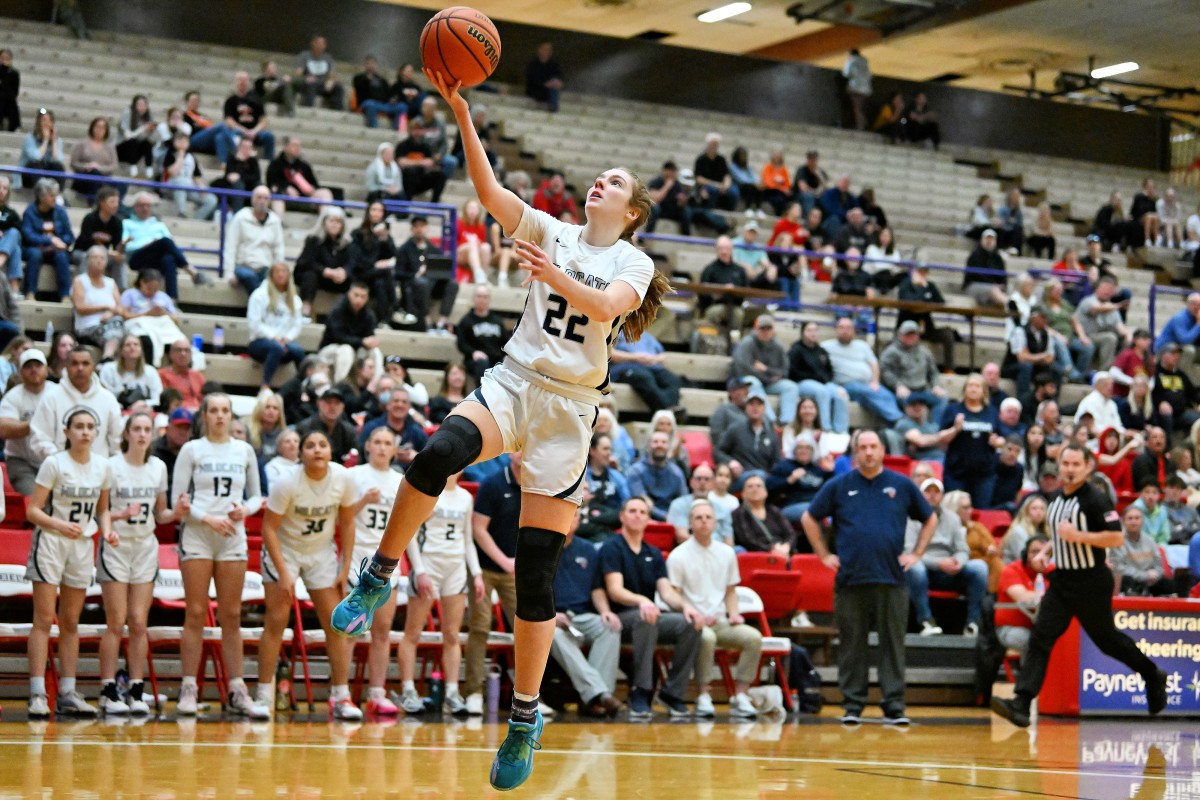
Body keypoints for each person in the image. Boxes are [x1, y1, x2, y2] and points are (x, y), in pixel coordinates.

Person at [331, 68, 671, 792]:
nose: (598, 186)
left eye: (614, 182)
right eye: (599, 178)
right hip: (515, 383)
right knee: (436, 456)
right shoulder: (552, 229)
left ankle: (524, 718)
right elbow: (490, 196)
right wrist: (460, 111)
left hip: (569, 412)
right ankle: (378, 576)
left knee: (537, 577)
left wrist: (553, 276)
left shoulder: (631, 259)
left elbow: (608, 308)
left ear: (633, 209)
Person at [991, 445, 1169, 728]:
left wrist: (1078, 536)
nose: (1070, 469)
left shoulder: (1096, 500)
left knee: (1108, 642)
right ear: (1059, 466)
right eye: (1066, 463)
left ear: (1088, 468)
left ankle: (1152, 674)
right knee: (1041, 637)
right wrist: (1048, 549)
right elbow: (1063, 531)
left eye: (1076, 464)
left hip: (1091, 581)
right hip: (1062, 579)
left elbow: (1114, 539)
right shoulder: (1056, 498)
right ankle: (1022, 703)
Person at [802, 430, 936, 725]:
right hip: (850, 579)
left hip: (892, 578)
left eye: (873, 447)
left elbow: (930, 518)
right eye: (862, 447)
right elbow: (809, 518)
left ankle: (894, 706)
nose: (868, 452)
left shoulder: (901, 485)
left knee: (893, 644)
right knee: (852, 645)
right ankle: (852, 705)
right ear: (855, 452)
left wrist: (916, 554)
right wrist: (824, 555)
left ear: (883, 450)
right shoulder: (839, 485)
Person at [171, 393, 268, 717]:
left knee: (231, 615)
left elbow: (257, 497)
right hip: (199, 536)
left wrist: (245, 509)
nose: (219, 416)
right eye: (213, 411)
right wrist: (208, 517)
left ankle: (237, 689)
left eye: (225, 411)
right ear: (205, 416)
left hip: (232, 538)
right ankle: (188, 687)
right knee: (196, 613)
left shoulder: (244, 450)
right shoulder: (191, 449)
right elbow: (178, 502)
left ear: (231, 416)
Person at [253, 429, 360, 719]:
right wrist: (283, 573)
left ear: (330, 451)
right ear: (301, 453)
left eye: (322, 444)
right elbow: (268, 529)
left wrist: (344, 567)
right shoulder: (287, 483)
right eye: (310, 445)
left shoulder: (342, 479)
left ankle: (340, 696)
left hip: (320, 552)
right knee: (276, 620)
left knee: (336, 623)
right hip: (284, 550)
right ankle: (263, 694)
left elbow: (348, 524)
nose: (316, 450)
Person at [25, 408, 114, 718]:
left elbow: (103, 510)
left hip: (81, 545)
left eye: (90, 426)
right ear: (67, 431)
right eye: (79, 426)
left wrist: (108, 530)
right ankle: (37, 693)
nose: (85, 431)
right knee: (44, 618)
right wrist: (60, 525)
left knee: (71, 622)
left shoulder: (103, 466)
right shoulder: (54, 464)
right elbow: (33, 511)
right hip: (51, 542)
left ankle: (67, 691)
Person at [99, 411, 188, 714]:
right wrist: (117, 520)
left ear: (152, 434)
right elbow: (101, 513)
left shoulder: (158, 468)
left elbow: (160, 515)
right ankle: (108, 689)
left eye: (146, 429)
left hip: (145, 548)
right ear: (126, 434)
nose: (140, 434)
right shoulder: (111, 466)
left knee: (138, 622)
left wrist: (176, 512)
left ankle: (136, 689)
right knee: (115, 621)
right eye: (135, 428)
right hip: (117, 547)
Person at [601, 497, 704, 719]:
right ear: (622, 516)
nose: (637, 515)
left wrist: (686, 607)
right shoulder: (612, 547)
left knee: (691, 624)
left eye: (642, 512)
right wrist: (642, 600)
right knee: (645, 618)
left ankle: (671, 693)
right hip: (618, 617)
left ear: (649, 519)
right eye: (632, 511)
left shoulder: (653, 552)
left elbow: (666, 592)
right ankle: (641, 690)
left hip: (647, 615)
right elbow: (614, 590)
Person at [395, 469, 483, 716]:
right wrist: (419, 570)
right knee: (413, 632)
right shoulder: (428, 493)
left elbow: (468, 541)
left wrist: (475, 573)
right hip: (428, 564)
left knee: (452, 635)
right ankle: (408, 689)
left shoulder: (466, 497)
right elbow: (409, 532)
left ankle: (452, 693)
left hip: (455, 568)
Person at [668, 499, 761, 719]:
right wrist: (693, 614)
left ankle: (741, 695)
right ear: (690, 522)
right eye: (698, 518)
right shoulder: (678, 555)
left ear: (716, 523)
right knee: (706, 639)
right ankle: (703, 694)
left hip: (721, 620)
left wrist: (735, 613)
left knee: (753, 637)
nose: (704, 522)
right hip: (694, 622)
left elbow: (730, 590)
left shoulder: (727, 553)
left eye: (708, 517)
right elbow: (673, 593)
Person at [906, 489, 990, 636]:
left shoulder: (953, 518)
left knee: (980, 567)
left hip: (950, 570)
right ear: (920, 495)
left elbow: (963, 550)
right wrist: (938, 563)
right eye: (928, 491)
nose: (932, 495)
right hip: (923, 569)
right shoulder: (910, 517)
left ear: (942, 497)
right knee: (915, 567)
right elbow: (909, 553)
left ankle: (973, 624)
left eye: (936, 492)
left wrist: (958, 562)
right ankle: (926, 621)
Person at [30, 345, 123, 461]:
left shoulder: (108, 399)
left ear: (93, 367)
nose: (80, 368)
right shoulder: (51, 397)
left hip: (99, 472)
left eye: (85, 363)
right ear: (66, 367)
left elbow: (117, 442)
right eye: (74, 363)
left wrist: (107, 467)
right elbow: (40, 438)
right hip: (60, 472)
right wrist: (60, 463)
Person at [123, 192, 209, 298]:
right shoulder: (127, 223)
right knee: (164, 241)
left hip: (156, 258)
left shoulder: (159, 225)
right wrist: (145, 244)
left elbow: (171, 245)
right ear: (135, 207)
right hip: (137, 258)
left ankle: (172, 300)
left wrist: (155, 244)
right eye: (141, 205)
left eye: (148, 205)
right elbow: (125, 246)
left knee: (169, 259)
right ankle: (191, 271)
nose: (145, 208)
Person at [822, 316, 903, 425]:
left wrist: (875, 381)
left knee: (888, 395)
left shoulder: (862, 345)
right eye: (841, 328)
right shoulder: (826, 346)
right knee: (864, 392)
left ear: (854, 330)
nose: (845, 331)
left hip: (868, 384)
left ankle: (895, 422)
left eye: (848, 328)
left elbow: (874, 364)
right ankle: (898, 421)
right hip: (845, 384)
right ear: (836, 330)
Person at [246, 262, 306, 395]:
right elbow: (254, 324)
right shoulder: (259, 295)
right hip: (259, 342)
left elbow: (297, 325)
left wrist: (286, 338)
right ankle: (265, 386)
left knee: (298, 351)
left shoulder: (295, 300)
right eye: (277, 272)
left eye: (284, 271)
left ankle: (303, 386)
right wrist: (275, 337)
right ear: (271, 275)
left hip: (284, 342)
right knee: (276, 348)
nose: (280, 275)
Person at [0, 349, 51, 494]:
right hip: (21, 461)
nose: (33, 370)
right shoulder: (12, 397)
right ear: (21, 372)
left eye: (38, 365)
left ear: (47, 370)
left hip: (53, 459)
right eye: (28, 366)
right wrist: (37, 423)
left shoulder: (58, 393)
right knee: (35, 499)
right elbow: (3, 429)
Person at [733, 315, 799, 425]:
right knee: (753, 382)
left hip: (769, 382)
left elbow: (784, 370)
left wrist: (767, 369)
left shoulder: (778, 345)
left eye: (768, 328)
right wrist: (768, 376)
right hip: (749, 383)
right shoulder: (747, 343)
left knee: (791, 387)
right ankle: (770, 420)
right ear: (756, 329)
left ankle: (787, 423)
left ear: (773, 330)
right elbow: (743, 369)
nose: (765, 331)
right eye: (762, 328)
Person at [786, 321, 851, 434]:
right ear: (803, 332)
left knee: (841, 393)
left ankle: (841, 431)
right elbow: (793, 372)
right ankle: (825, 429)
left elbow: (830, 371)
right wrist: (815, 377)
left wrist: (826, 380)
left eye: (815, 330)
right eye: (809, 330)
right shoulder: (796, 350)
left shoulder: (821, 351)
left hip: (823, 383)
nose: (813, 333)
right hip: (802, 383)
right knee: (822, 392)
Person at [995, 536, 1051, 663]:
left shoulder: (1052, 571)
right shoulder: (1011, 570)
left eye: (1045, 553)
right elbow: (1023, 598)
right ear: (1025, 554)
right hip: (1010, 629)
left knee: (1057, 640)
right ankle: (1029, 680)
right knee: (1034, 642)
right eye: (1035, 552)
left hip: (1040, 627)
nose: (1039, 557)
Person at [349, 200, 405, 325]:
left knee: (380, 283)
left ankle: (384, 321)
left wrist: (384, 238)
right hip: (360, 273)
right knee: (385, 272)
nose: (376, 213)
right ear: (368, 212)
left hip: (377, 276)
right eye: (374, 209)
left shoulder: (383, 235)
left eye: (380, 211)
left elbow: (393, 254)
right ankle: (396, 307)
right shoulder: (357, 233)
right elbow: (357, 259)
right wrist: (374, 264)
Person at [398, 214, 458, 332]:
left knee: (452, 284)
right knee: (422, 282)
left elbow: (442, 268)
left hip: (433, 284)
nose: (419, 229)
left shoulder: (434, 249)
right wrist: (416, 274)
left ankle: (442, 322)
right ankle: (427, 320)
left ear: (426, 228)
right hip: (413, 285)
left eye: (422, 226)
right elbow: (398, 273)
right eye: (416, 226)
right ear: (412, 229)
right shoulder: (404, 249)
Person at [880, 321, 948, 422]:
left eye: (914, 334)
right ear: (900, 335)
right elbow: (885, 371)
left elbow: (933, 371)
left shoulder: (925, 352)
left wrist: (936, 385)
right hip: (903, 391)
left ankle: (935, 428)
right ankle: (909, 430)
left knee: (942, 398)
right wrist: (898, 385)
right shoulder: (891, 352)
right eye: (907, 334)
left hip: (923, 389)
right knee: (908, 402)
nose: (911, 337)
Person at [225, 186, 286, 295]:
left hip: (266, 267)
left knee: (270, 281)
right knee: (250, 278)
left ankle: (258, 308)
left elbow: (279, 248)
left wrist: (279, 271)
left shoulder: (275, 221)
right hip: (244, 266)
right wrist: (229, 273)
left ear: (269, 201)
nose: (262, 201)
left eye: (265, 198)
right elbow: (231, 246)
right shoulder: (240, 218)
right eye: (259, 197)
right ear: (252, 199)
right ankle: (261, 307)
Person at [318, 282, 382, 384]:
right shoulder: (337, 311)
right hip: (330, 350)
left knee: (375, 352)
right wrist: (362, 341)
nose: (359, 300)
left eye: (363, 296)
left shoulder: (369, 315)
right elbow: (339, 337)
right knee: (346, 350)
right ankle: (340, 388)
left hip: (355, 351)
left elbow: (369, 337)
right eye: (356, 295)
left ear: (367, 298)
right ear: (349, 294)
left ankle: (375, 387)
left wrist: (371, 342)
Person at [21, 177, 74, 299]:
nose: (55, 198)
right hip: (35, 248)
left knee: (62, 256)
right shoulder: (30, 211)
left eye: (55, 194)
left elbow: (69, 235)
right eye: (51, 195)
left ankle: (65, 295)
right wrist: (50, 240)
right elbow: (28, 235)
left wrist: (62, 242)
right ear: (41, 197)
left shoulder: (60, 212)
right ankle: (30, 293)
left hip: (55, 250)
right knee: (35, 254)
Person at [294, 206, 351, 318]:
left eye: (339, 222)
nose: (335, 224)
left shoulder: (347, 243)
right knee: (310, 275)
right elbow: (307, 262)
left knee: (355, 277)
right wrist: (325, 271)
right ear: (324, 222)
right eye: (332, 221)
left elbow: (352, 263)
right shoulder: (313, 240)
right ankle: (305, 308)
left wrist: (344, 272)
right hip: (316, 276)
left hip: (336, 280)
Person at [72, 245, 126, 361]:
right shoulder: (80, 281)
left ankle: (107, 357)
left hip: (110, 323)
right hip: (87, 326)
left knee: (118, 323)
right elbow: (80, 307)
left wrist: (110, 314)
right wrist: (105, 308)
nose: (98, 261)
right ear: (87, 260)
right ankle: (108, 357)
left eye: (102, 258)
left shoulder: (111, 282)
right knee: (115, 329)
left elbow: (120, 308)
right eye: (95, 257)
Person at [611, 329, 683, 416]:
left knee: (673, 380)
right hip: (627, 367)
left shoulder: (646, 335)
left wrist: (654, 359)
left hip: (653, 366)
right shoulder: (614, 333)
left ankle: (668, 410)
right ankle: (669, 412)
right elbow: (610, 353)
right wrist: (635, 357)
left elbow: (663, 355)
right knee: (645, 377)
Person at [715, 391, 780, 484]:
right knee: (759, 475)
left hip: (764, 479)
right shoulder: (735, 429)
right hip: (740, 476)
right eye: (751, 404)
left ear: (764, 409)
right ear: (746, 407)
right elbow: (718, 452)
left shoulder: (771, 434)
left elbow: (776, 461)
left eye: (759, 404)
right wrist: (730, 462)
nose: (755, 408)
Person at [72, 186, 127, 290]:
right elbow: (86, 243)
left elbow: (116, 245)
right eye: (112, 202)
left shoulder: (117, 222)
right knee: (89, 257)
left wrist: (120, 253)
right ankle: (82, 289)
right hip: (81, 252)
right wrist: (105, 252)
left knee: (119, 261)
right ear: (102, 203)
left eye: (117, 202)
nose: (116, 205)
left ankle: (121, 291)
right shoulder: (90, 219)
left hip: (103, 254)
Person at [627, 430, 688, 521]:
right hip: (645, 518)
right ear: (648, 446)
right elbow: (641, 502)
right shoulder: (635, 471)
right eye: (655, 442)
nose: (659, 445)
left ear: (668, 447)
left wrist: (674, 516)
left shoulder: (676, 473)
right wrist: (665, 516)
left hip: (674, 518)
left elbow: (683, 500)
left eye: (663, 442)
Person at [266, 137, 335, 216]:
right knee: (276, 195)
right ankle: (278, 223)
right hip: (283, 197)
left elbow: (315, 185)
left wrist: (311, 189)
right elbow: (271, 183)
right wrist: (286, 188)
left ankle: (324, 220)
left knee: (325, 193)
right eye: (294, 145)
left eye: (299, 146)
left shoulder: (304, 166)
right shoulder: (275, 164)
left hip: (304, 198)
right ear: (285, 147)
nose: (297, 148)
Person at [1075, 276, 1130, 370]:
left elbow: (1119, 326)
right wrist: (1119, 306)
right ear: (1097, 289)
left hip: (1101, 336)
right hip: (1086, 336)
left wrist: (1128, 336)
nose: (1107, 292)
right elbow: (1096, 309)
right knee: (1110, 337)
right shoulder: (1088, 301)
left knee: (1129, 340)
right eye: (1104, 288)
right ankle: (1104, 371)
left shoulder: (1113, 308)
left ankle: (1117, 369)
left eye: (1110, 289)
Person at [732, 473, 795, 551]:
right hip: (757, 555)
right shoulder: (739, 513)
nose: (755, 489)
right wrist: (771, 549)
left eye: (759, 486)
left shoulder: (774, 510)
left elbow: (790, 533)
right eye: (750, 486)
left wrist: (787, 546)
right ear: (743, 493)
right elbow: (747, 540)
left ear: (766, 492)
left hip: (783, 551)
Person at [162, 131, 218, 220]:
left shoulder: (191, 157)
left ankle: (196, 220)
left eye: (185, 141)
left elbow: (196, 176)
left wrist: (202, 188)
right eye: (180, 140)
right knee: (180, 182)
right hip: (171, 186)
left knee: (211, 200)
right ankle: (181, 212)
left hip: (188, 187)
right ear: (174, 142)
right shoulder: (169, 153)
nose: (183, 143)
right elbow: (173, 173)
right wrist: (180, 157)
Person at [99, 334, 163, 409]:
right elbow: (105, 398)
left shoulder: (151, 371)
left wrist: (144, 403)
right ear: (121, 350)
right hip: (117, 411)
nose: (132, 348)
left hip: (144, 411)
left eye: (136, 344)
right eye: (127, 345)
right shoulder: (108, 369)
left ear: (141, 350)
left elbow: (158, 398)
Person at [69, 116, 121, 202]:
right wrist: (87, 166)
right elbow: (74, 163)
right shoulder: (82, 144)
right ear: (92, 127)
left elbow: (114, 165)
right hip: (84, 178)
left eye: (103, 128)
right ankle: (94, 201)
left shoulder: (110, 147)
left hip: (104, 178)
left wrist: (100, 168)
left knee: (121, 184)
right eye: (98, 127)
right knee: (94, 173)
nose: (100, 130)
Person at [19, 107, 65, 189]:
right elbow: (36, 157)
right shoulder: (30, 138)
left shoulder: (58, 141)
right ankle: (41, 192)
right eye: (44, 120)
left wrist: (53, 141)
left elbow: (57, 159)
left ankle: (57, 194)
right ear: (38, 123)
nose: (46, 124)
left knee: (58, 167)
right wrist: (45, 140)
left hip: (46, 173)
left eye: (49, 121)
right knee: (35, 165)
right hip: (29, 175)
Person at [295, 35, 345, 109]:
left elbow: (333, 74)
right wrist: (306, 78)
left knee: (338, 87)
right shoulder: (304, 56)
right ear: (313, 44)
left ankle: (337, 111)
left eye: (323, 44)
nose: (320, 46)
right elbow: (298, 73)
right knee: (310, 84)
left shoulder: (328, 58)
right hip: (309, 83)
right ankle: (307, 110)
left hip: (322, 85)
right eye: (318, 43)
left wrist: (331, 81)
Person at [159, 337, 205, 412]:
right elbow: (166, 402)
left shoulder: (197, 375)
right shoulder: (162, 374)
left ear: (191, 355)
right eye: (179, 350)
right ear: (171, 354)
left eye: (187, 350)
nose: (183, 354)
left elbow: (206, 397)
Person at [963, 229, 1008, 307]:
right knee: (993, 291)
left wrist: (1002, 284)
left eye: (991, 239)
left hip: (994, 287)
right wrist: (993, 285)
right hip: (975, 285)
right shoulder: (975, 255)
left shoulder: (998, 257)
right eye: (987, 239)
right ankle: (1010, 306)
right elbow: (975, 275)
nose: (989, 241)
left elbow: (1003, 275)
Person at [525, 42, 563, 112]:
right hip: (535, 90)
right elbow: (531, 80)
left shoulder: (554, 65)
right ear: (539, 50)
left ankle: (553, 107)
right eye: (544, 49)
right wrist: (545, 84)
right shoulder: (533, 65)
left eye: (548, 50)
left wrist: (556, 83)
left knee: (554, 88)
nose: (546, 51)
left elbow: (558, 77)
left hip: (548, 92)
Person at [0, 48, 21, 132]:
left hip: (8, 98)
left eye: (7, 58)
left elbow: (15, 91)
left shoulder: (14, 73)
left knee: (10, 101)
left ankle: (14, 126)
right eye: (2, 58)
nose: (4, 60)